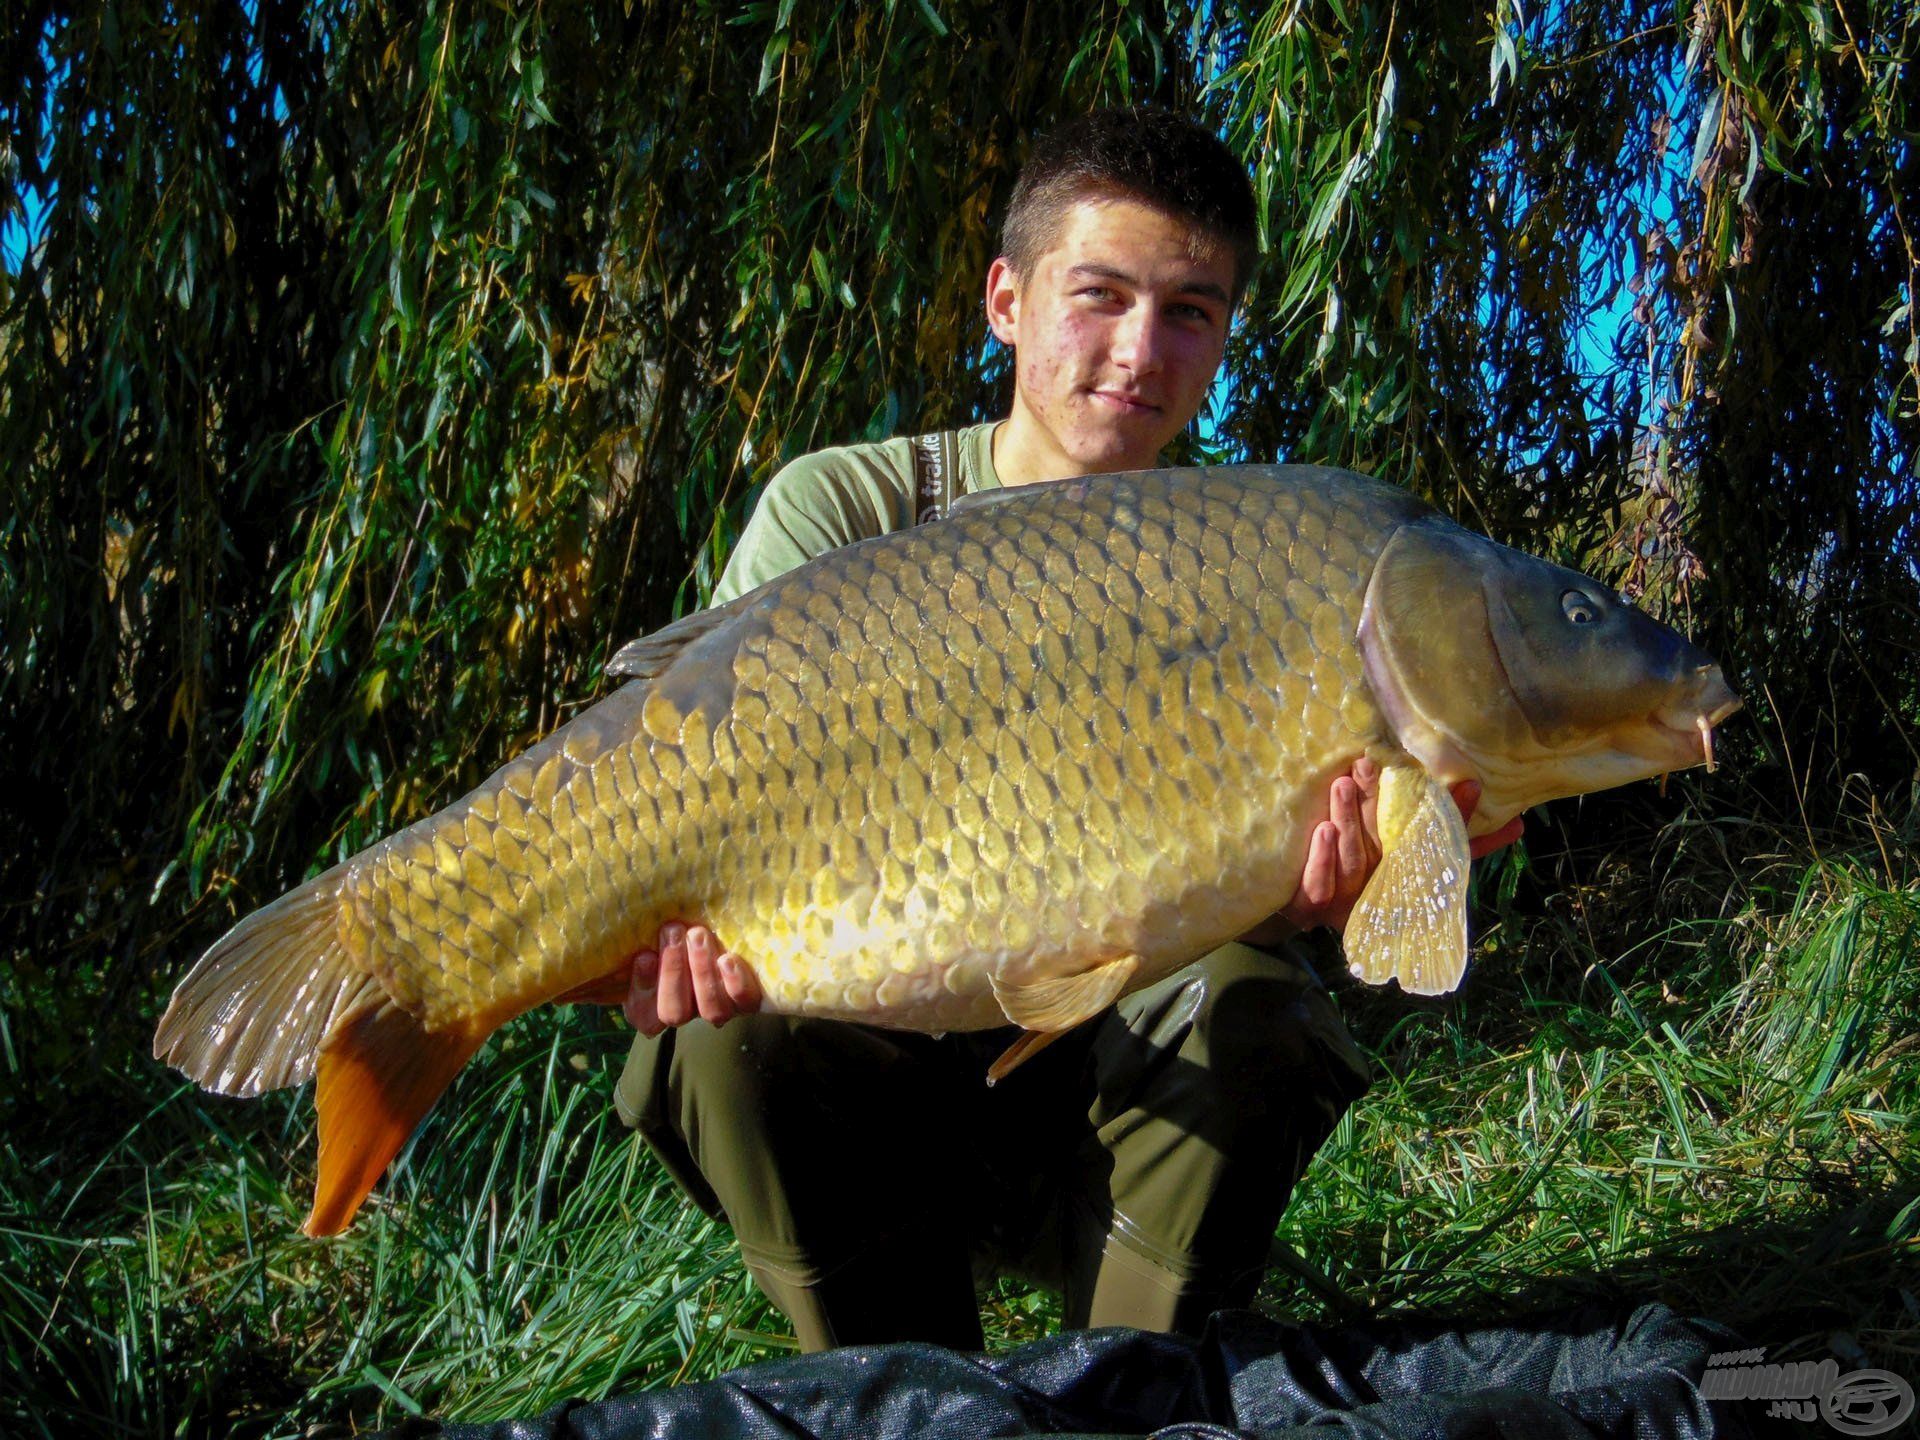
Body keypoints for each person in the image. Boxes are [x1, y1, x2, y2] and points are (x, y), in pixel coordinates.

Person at [609, 107, 1520, 1352]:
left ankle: (1131, 1387)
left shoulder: (1269, 562)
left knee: (1255, 1001)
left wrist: (1315, 900)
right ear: (1007, 300)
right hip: (878, 1084)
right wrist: (658, 929)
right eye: (1100, 295)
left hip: (1112, 1108)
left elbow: (1290, 910)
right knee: (724, 1037)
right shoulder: (846, 508)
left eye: (1190, 311)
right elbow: (698, 789)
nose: (1141, 349)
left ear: (1223, 340)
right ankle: (903, 1395)